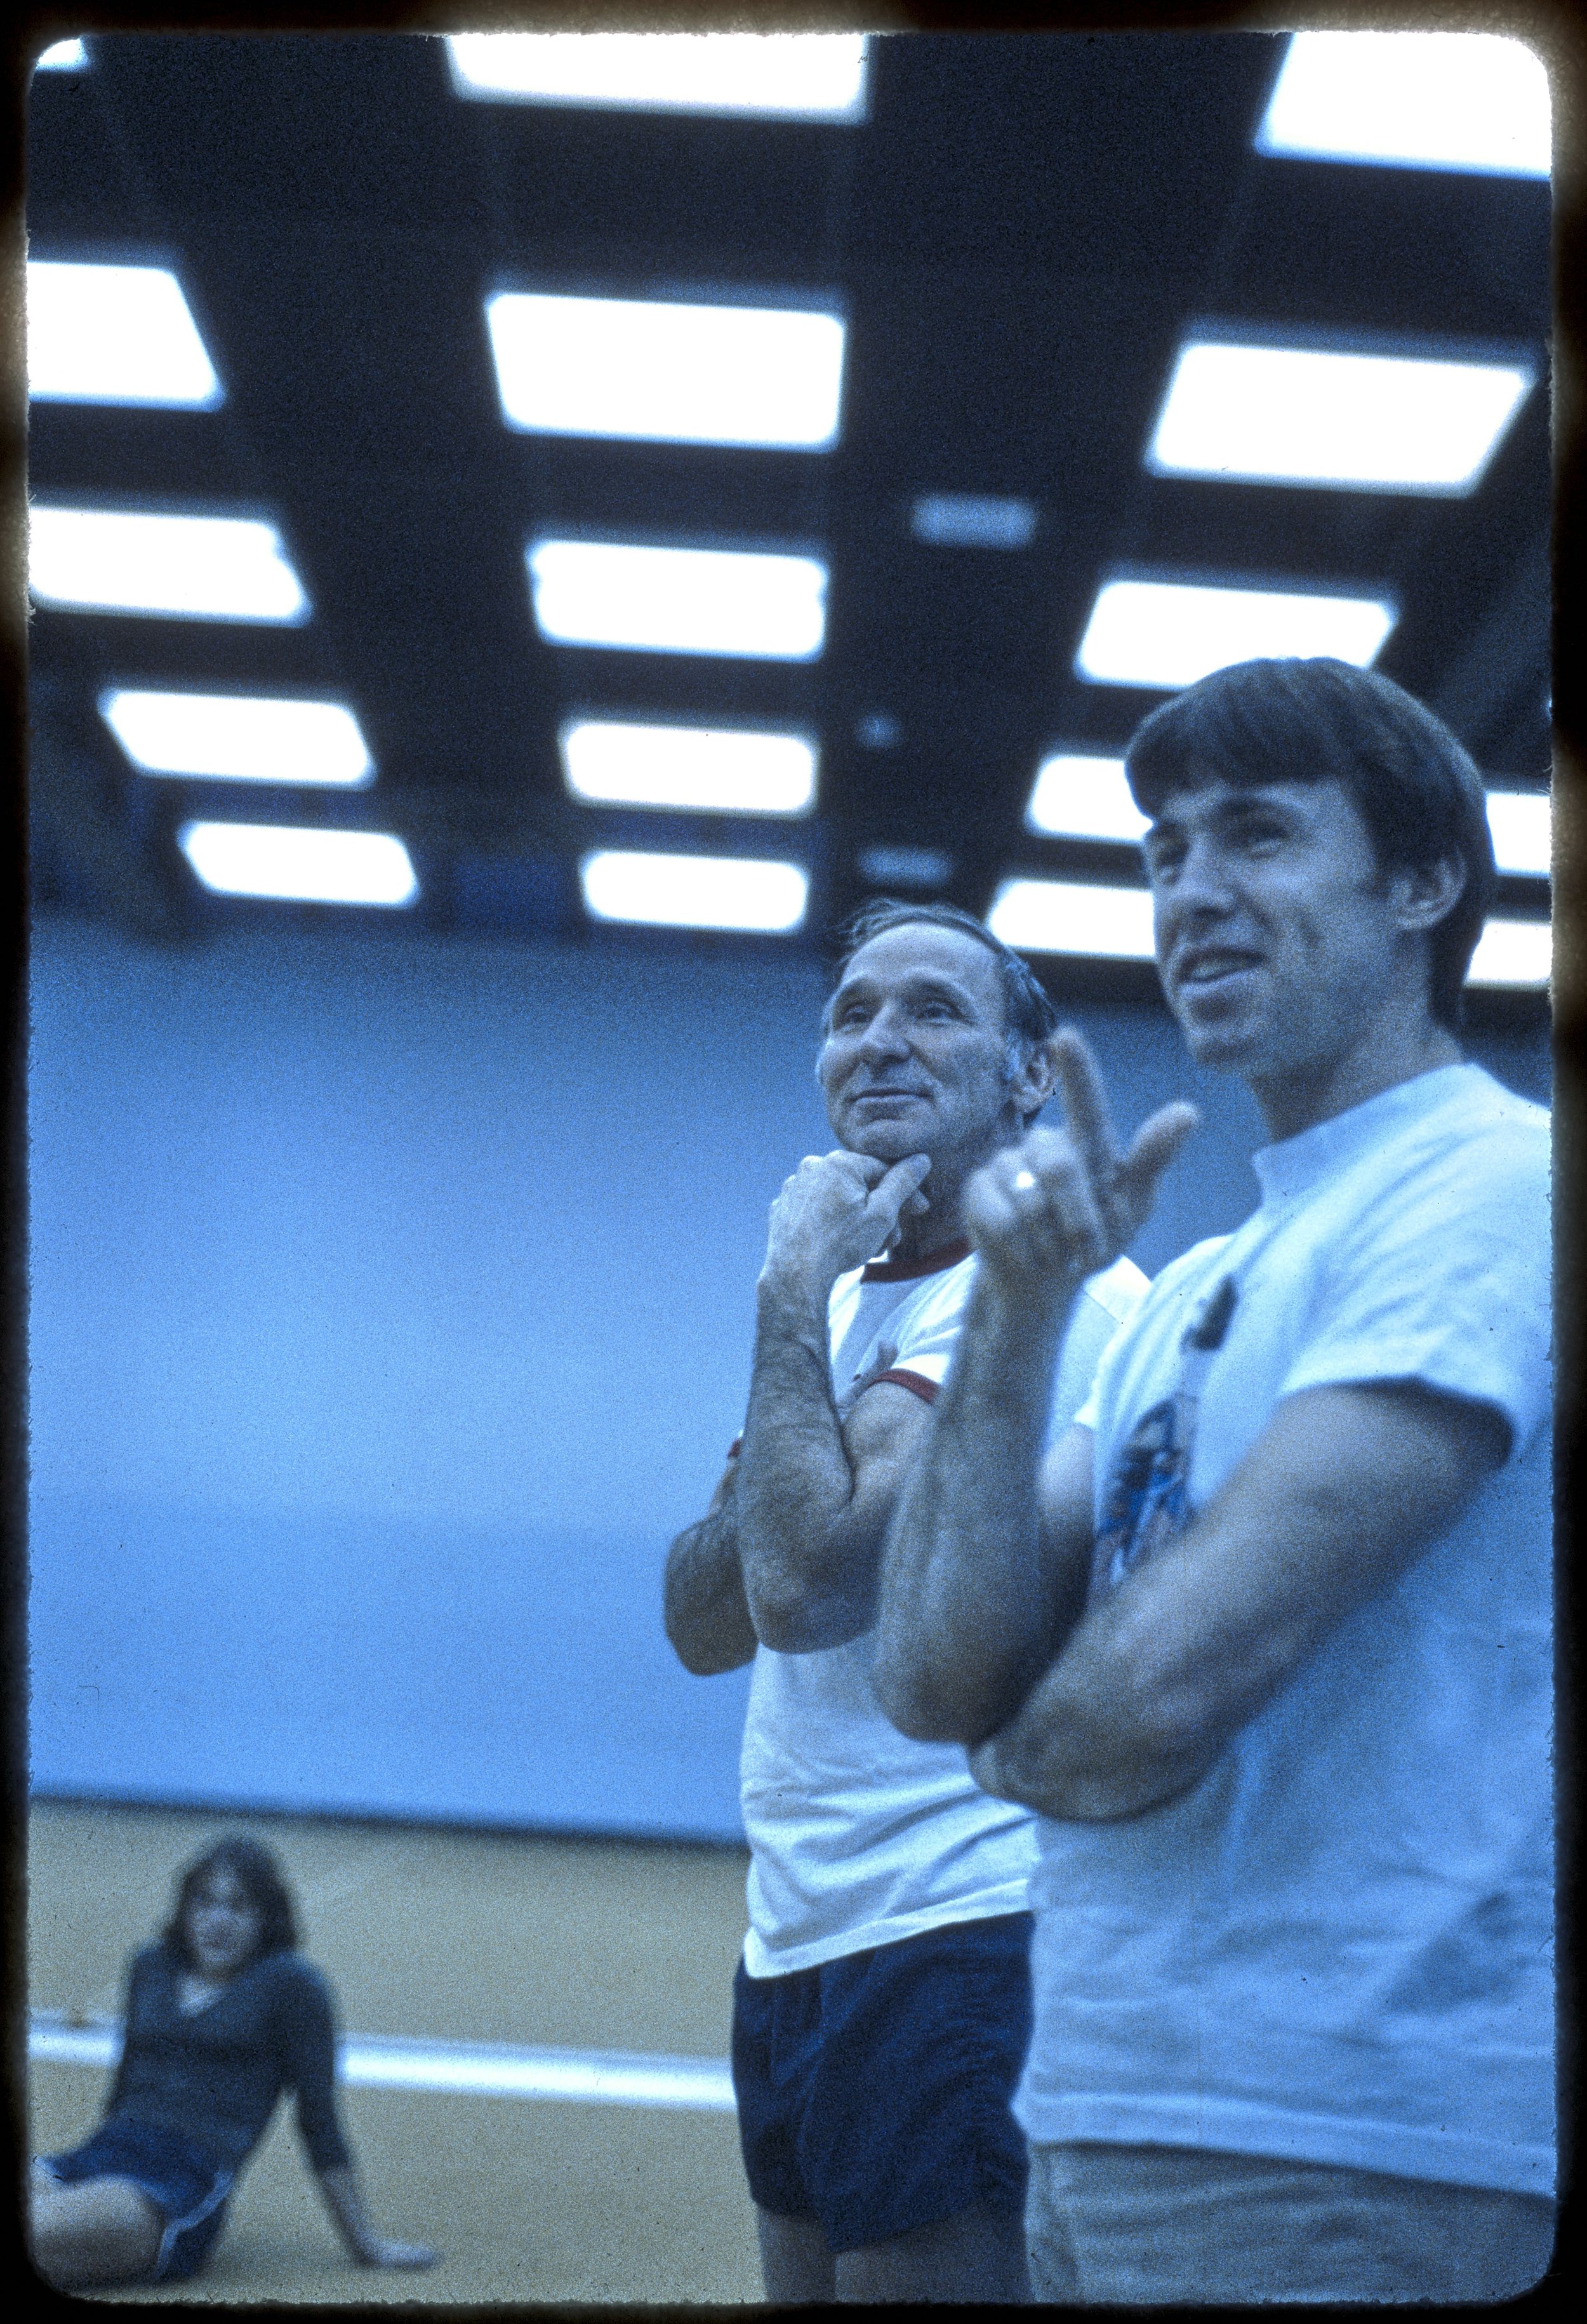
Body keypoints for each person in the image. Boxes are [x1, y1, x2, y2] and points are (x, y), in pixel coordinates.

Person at [873, 656, 1554, 2304]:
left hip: (1348, 2134)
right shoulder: (1197, 1281)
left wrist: (1013, 1759)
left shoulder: (1494, 1188)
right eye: (1163, 851)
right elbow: (926, 1669)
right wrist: (1019, 1318)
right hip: (1103, 2098)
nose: (1191, 893)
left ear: (1420, 883)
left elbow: (1161, 1685)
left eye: (1253, 836)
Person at [663, 899, 1148, 2304]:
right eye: (851, 1011)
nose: (878, 1039)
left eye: (934, 1008)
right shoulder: (833, 1305)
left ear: (1027, 1074)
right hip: (800, 1922)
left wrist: (777, 1285)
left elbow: (804, 1585)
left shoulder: (1056, 1298)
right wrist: (802, 1313)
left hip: (960, 1913)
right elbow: (704, 1618)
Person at [29, 1833, 439, 2290]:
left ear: (266, 1917)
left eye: (239, 1906)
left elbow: (319, 2122)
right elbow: (125, 2088)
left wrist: (366, 2243)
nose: (218, 1920)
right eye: (204, 1902)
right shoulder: (152, 1965)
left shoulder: (293, 1987)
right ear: (185, 1908)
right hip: (94, 2155)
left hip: (173, 2186)